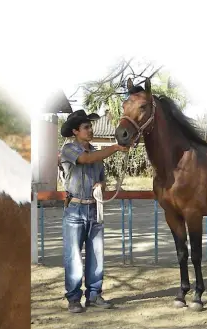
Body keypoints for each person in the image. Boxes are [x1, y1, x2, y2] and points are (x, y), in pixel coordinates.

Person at [59, 109, 129, 313]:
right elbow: (86, 160)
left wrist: (101, 185)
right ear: (75, 131)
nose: (90, 130)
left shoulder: (97, 152)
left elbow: (102, 178)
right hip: (75, 209)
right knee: (73, 256)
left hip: (93, 208)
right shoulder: (69, 150)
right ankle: (73, 298)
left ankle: (94, 294)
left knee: (96, 254)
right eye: (86, 127)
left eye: (90, 127)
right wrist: (116, 147)